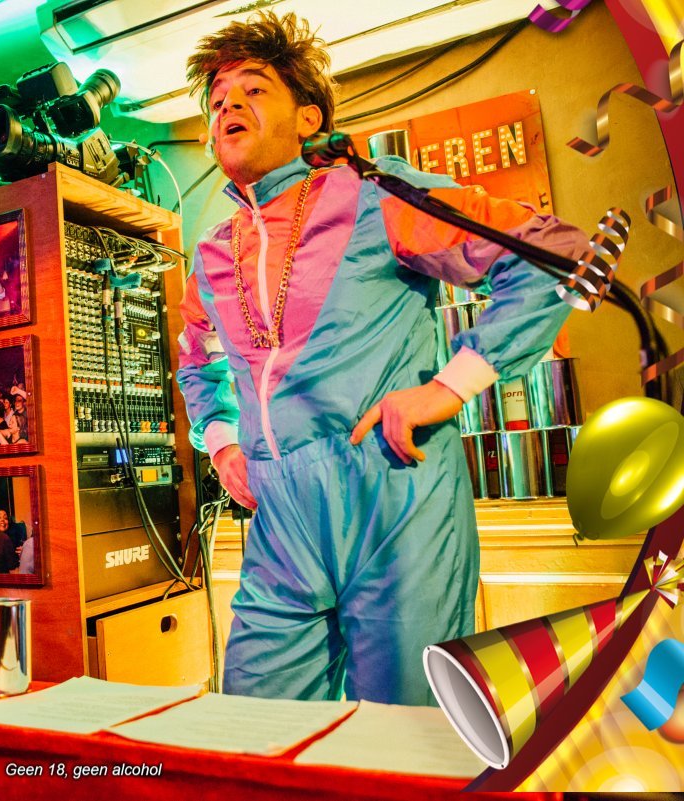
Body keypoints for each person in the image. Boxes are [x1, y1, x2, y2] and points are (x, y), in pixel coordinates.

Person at [178, 12, 590, 706]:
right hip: (279, 519)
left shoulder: (375, 195)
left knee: (405, 735)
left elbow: (553, 256)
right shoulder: (214, 252)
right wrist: (221, 444)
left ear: (308, 118)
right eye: (217, 101)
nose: (229, 107)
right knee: (251, 728)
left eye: (253, 89)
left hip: (395, 497)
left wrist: (449, 388)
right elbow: (197, 361)